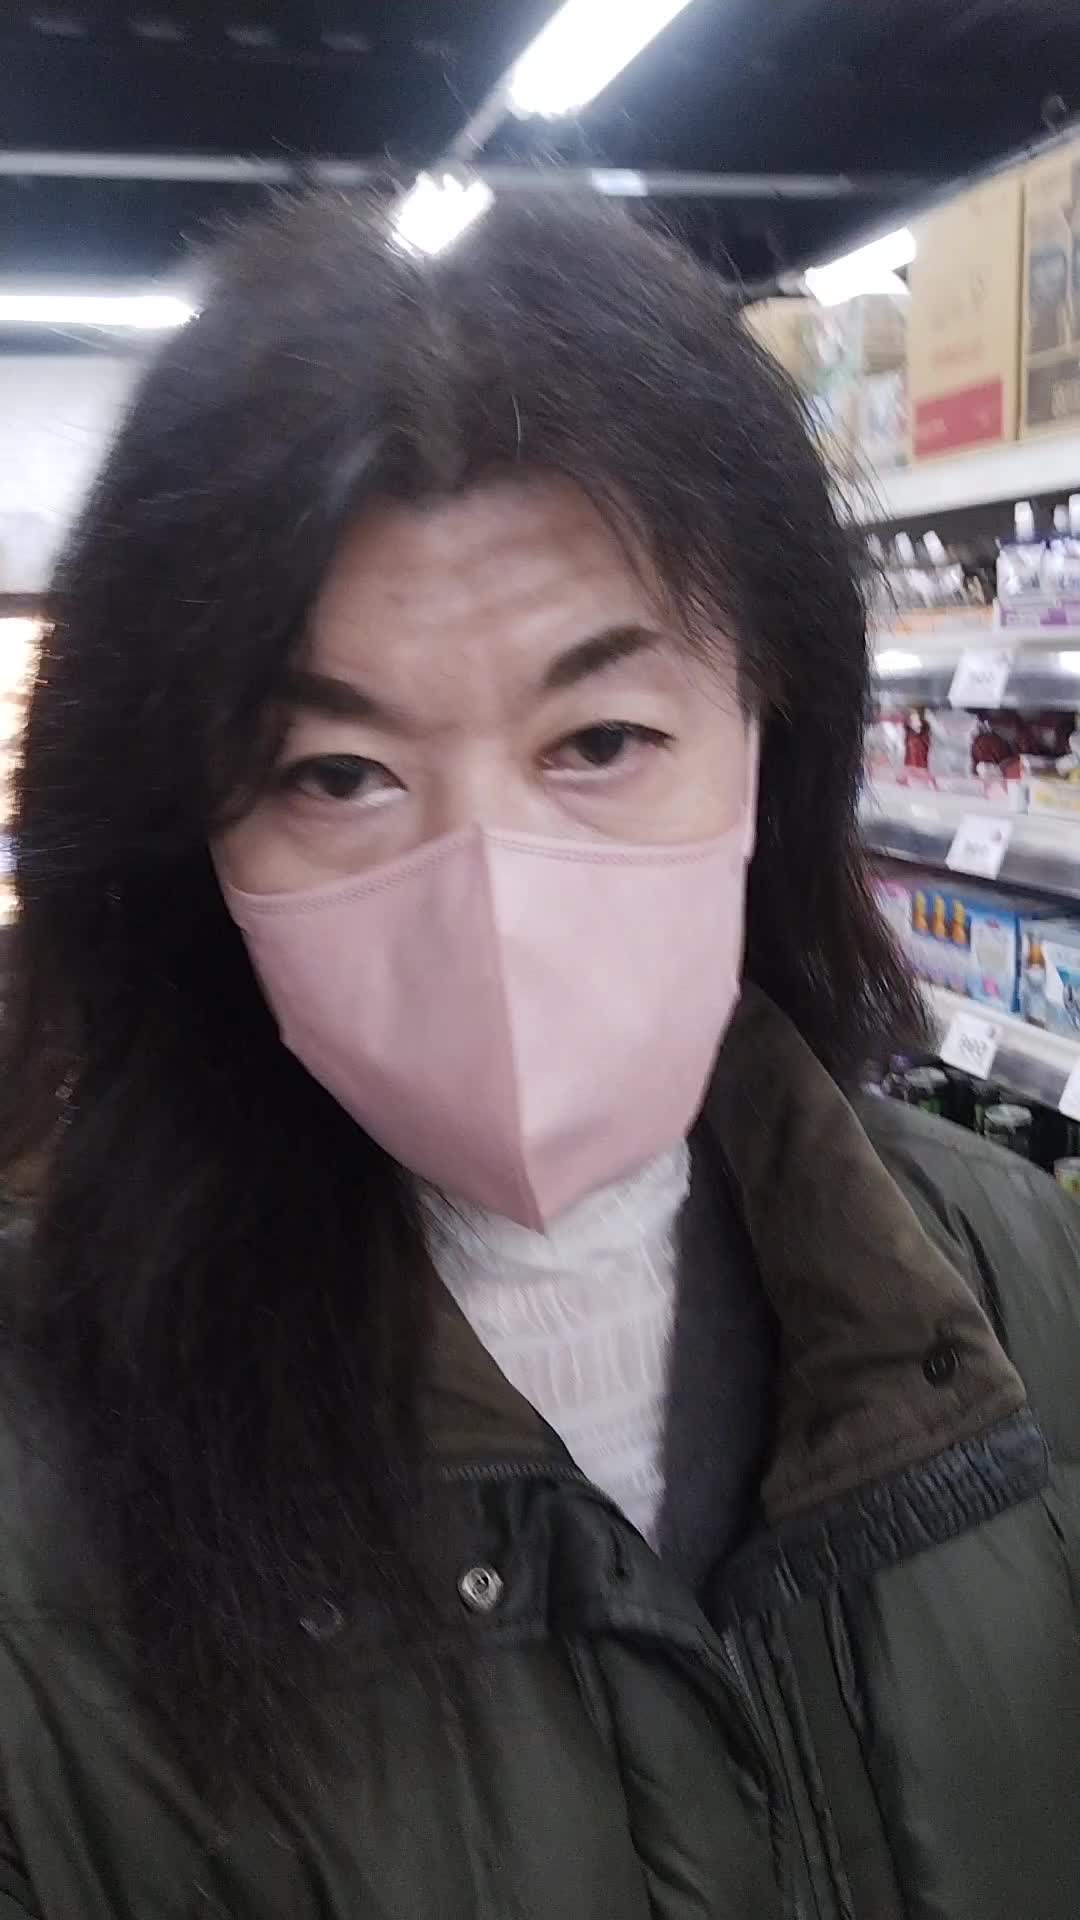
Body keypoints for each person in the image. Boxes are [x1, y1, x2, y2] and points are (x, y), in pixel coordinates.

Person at [0, 192, 1077, 1920]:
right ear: (189, 832)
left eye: (601, 738)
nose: (492, 908)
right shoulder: (40, 1475)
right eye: (336, 775)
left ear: (769, 739)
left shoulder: (1019, 1276)